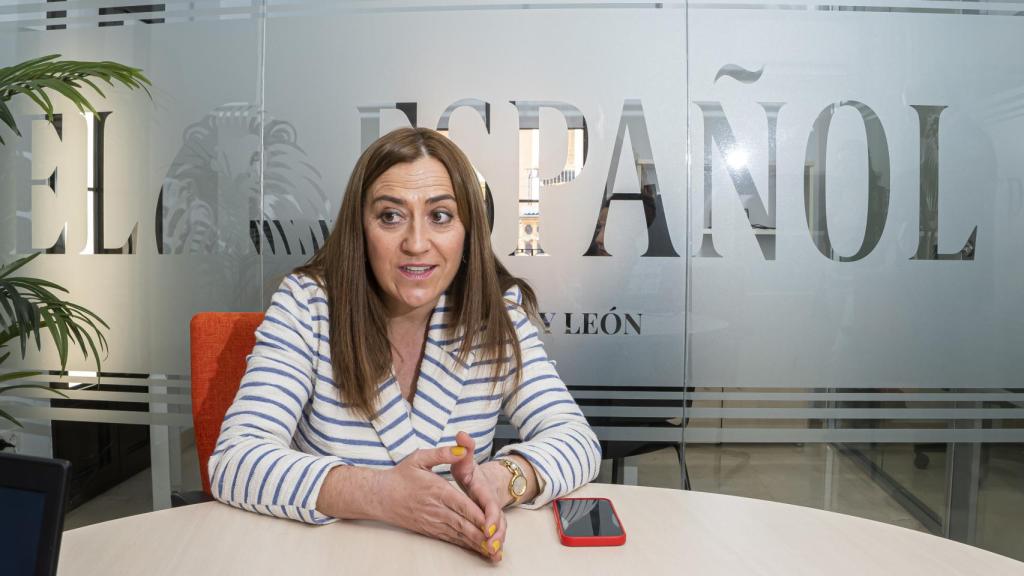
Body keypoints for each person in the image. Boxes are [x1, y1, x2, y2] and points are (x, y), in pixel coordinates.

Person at [208, 127, 601, 562]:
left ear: (468, 230)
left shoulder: (497, 313)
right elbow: (235, 462)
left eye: (440, 216)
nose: (416, 244)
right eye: (391, 216)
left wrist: (501, 478)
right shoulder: (308, 304)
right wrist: (379, 494)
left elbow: (576, 439)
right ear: (361, 228)